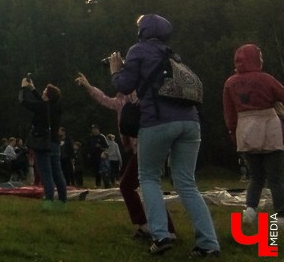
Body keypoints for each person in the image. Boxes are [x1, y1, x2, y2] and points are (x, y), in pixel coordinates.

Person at [111, 13, 220, 257]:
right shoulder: (173, 55)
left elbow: (125, 86)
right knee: (187, 184)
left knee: (149, 177)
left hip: (157, 121)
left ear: (142, 31)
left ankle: (161, 235)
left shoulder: (138, 50)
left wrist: (115, 71)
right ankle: (209, 243)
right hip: (191, 122)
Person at [75, 69, 173, 240]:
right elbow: (104, 99)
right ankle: (164, 229)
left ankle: (150, 227)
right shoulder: (120, 101)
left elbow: (134, 93)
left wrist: (119, 70)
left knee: (129, 186)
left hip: (146, 145)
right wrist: (88, 86)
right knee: (145, 187)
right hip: (141, 148)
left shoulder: (135, 94)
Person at [222, 43, 284, 227]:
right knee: (276, 177)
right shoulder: (266, 79)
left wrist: (233, 133)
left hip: (245, 128)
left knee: (256, 176)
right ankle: (281, 216)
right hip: (268, 127)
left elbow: (229, 113)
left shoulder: (230, 83)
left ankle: (250, 210)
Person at [20, 77, 68, 207]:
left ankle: (48, 201)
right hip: (55, 143)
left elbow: (22, 101)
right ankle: (62, 202)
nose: (43, 91)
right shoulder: (57, 108)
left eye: (45, 90)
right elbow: (44, 103)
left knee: (46, 174)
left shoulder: (41, 107)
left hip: (43, 144)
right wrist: (33, 89)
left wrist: (23, 87)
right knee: (58, 173)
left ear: (47, 95)